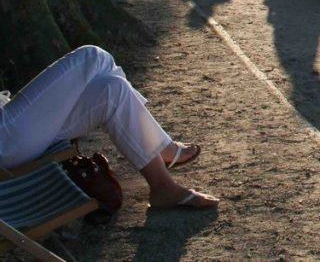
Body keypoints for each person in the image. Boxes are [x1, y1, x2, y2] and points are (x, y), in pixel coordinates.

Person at [0, 46, 217, 209]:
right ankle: (160, 146)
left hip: (12, 131)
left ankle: (163, 186)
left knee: (112, 90)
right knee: (93, 57)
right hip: (6, 139)